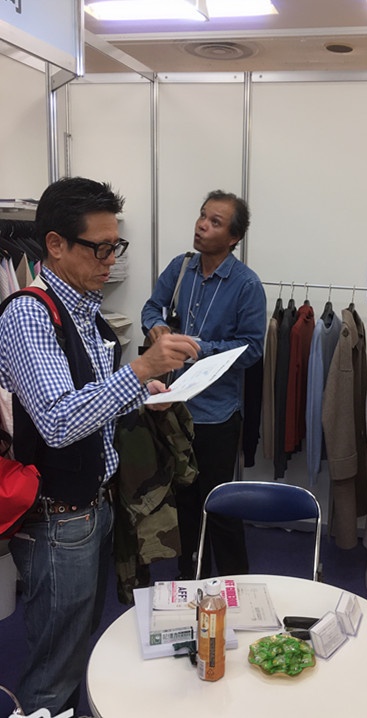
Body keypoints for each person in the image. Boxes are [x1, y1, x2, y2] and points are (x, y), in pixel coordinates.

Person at [0, 177, 198, 716]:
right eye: (100, 248)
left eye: (117, 246)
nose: (111, 260)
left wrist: (142, 393)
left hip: (94, 506)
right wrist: (139, 370)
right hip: (57, 518)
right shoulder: (29, 314)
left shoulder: (86, 310)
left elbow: (90, 400)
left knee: (76, 640)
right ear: (56, 244)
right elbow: (59, 421)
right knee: (53, 666)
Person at [141, 189, 266, 579]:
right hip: (173, 406)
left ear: (234, 238)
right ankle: (191, 580)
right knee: (183, 503)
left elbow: (252, 349)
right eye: (201, 216)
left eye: (215, 222)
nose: (201, 226)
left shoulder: (246, 284)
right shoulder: (181, 268)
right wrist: (155, 326)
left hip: (216, 414)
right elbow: (151, 307)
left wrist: (199, 348)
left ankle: (234, 584)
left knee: (220, 505)